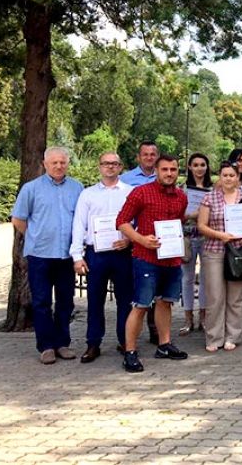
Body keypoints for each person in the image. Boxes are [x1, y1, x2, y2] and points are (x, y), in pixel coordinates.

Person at [116, 154, 189, 373]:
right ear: (156, 170)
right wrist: (141, 239)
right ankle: (130, 351)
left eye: (173, 170)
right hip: (146, 258)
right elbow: (122, 221)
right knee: (141, 305)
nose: (169, 173)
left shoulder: (181, 197)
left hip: (172, 259)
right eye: (165, 169)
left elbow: (179, 222)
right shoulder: (140, 192)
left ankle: (164, 345)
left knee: (166, 302)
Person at [11, 147, 84, 364]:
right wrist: (35, 235)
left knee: (65, 302)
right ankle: (46, 346)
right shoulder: (31, 189)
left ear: (67, 164)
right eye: (54, 162)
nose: (59, 166)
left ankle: (62, 343)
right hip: (40, 255)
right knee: (41, 302)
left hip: (66, 256)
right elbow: (18, 219)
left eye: (62, 162)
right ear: (45, 164)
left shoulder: (77, 188)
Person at [69, 151, 133, 363]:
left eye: (114, 163)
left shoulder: (130, 192)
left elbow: (137, 222)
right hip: (95, 253)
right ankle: (93, 343)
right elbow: (79, 225)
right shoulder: (87, 194)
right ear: (99, 166)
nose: (110, 167)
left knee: (125, 300)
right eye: (106, 163)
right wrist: (77, 256)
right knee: (95, 300)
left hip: (122, 252)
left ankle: (126, 341)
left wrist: (130, 239)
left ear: (120, 167)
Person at [197, 161, 242, 352]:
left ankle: (233, 336)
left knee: (235, 297)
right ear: (219, 176)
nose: (228, 178)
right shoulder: (210, 197)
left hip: (239, 251)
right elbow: (201, 226)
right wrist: (220, 235)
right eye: (225, 175)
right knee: (215, 297)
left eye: (232, 175)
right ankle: (214, 337)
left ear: (238, 177)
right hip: (215, 250)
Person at [120, 140, 160, 344]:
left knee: (156, 288)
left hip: (157, 240)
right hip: (133, 240)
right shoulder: (125, 180)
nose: (149, 158)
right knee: (135, 289)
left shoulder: (163, 177)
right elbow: (122, 213)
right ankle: (128, 337)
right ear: (138, 157)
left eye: (153, 154)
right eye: (145, 154)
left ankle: (155, 330)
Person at [180, 153, 212, 335]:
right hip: (187, 237)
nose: (199, 168)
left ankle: (204, 317)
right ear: (190, 167)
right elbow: (177, 214)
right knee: (187, 278)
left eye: (202, 164)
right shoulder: (182, 189)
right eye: (196, 165)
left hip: (207, 238)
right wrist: (192, 215)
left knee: (206, 279)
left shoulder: (212, 190)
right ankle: (188, 318)